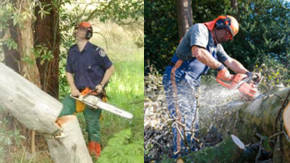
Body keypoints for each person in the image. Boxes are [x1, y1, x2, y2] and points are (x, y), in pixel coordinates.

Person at [162, 15, 258, 159]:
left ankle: (192, 156)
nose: (227, 38)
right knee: (182, 121)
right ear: (219, 24)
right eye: (227, 33)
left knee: (193, 122)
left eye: (230, 36)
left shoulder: (216, 46)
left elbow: (230, 61)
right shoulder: (200, 29)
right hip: (178, 76)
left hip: (192, 82)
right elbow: (198, 52)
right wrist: (220, 67)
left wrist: (248, 73)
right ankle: (180, 158)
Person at [58, 22, 115, 159]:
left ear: (87, 33)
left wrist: (101, 85)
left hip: (93, 94)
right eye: (77, 29)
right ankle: (65, 147)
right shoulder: (72, 51)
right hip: (77, 93)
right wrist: (73, 87)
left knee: (92, 126)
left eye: (81, 30)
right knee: (63, 112)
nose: (77, 31)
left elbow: (110, 68)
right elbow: (69, 72)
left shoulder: (96, 51)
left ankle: (94, 154)